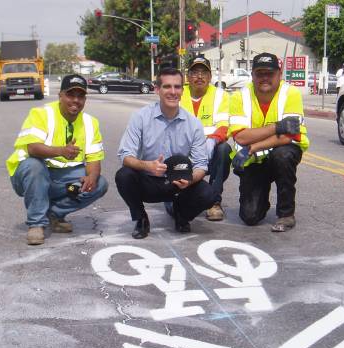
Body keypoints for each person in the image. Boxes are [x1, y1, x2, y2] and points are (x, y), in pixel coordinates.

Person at [6, 74, 108, 245]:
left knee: (100, 183)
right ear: (60, 95)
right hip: (28, 177)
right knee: (34, 166)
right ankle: (36, 224)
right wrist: (61, 151)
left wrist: (91, 177)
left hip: (58, 179)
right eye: (70, 94)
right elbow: (32, 148)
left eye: (80, 96)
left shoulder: (91, 123)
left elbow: (94, 159)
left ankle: (54, 214)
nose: (75, 100)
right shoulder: (41, 114)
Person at [115, 67, 216, 239]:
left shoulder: (193, 123)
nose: (173, 92)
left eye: (177, 87)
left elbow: (201, 165)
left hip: (178, 184)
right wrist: (147, 165)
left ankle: (181, 215)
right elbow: (125, 156)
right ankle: (141, 218)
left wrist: (190, 179)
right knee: (124, 176)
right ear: (157, 89)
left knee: (209, 194)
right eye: (167, 87)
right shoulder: (140, 117)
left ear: (182, 91)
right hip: (149, 181)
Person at [228, 52, 310, 232]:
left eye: (270, 73)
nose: (264, 78)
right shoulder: (239, 97)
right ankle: (261, 199)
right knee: (249, 217)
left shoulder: (291, 94)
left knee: (283, 155)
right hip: (254, 162)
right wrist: (278, 127)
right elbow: (240, 137)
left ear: (279, 74)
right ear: (252, 75)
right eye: (260, 73)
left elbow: (290, 135)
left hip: (278, 153)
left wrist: (255, 145)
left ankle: (286, 214)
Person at [178, 55, 231, 221]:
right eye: (194, 72)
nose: (199, 76)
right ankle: (177, 193)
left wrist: (212, 140)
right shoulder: (178, 93)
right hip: (183, 151)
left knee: (224, 149)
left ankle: (214, 202)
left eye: (204, 72)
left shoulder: (221, 96)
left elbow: (224, 126)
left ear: (210, 77)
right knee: (176, 211)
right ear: (187, 77)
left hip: (210, 150)